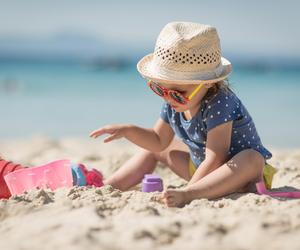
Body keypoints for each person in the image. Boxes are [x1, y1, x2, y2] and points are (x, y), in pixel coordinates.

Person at [90, 22, 275, 207]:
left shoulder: (221, 102)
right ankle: (108, 186)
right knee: (156, 151)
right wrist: (128, 130)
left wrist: (188, 192)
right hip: (200, 170)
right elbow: (157, 140)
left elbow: (216, 158)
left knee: (252, 158)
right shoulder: (172, 102)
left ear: (208, 83)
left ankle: (191, 193)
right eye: (160, 89)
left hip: (238, 174)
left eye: (178, 92)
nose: (169, 98)